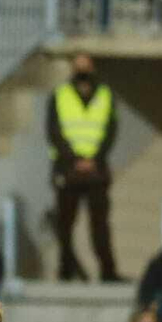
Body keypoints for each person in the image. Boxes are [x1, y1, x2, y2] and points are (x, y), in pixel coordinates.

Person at [47, 53, 119, 282]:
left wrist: (94, 159)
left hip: (96, 170)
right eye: (78, 64)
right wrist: (75, 160)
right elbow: (53, 131)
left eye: (85, 64)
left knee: (100, 226)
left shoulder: (106, 95)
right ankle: (65, 271)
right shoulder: (60, 95)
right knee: (65, 225)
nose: (82, 68)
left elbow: (110, 131)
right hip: (68, 170)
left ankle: (108, 272)